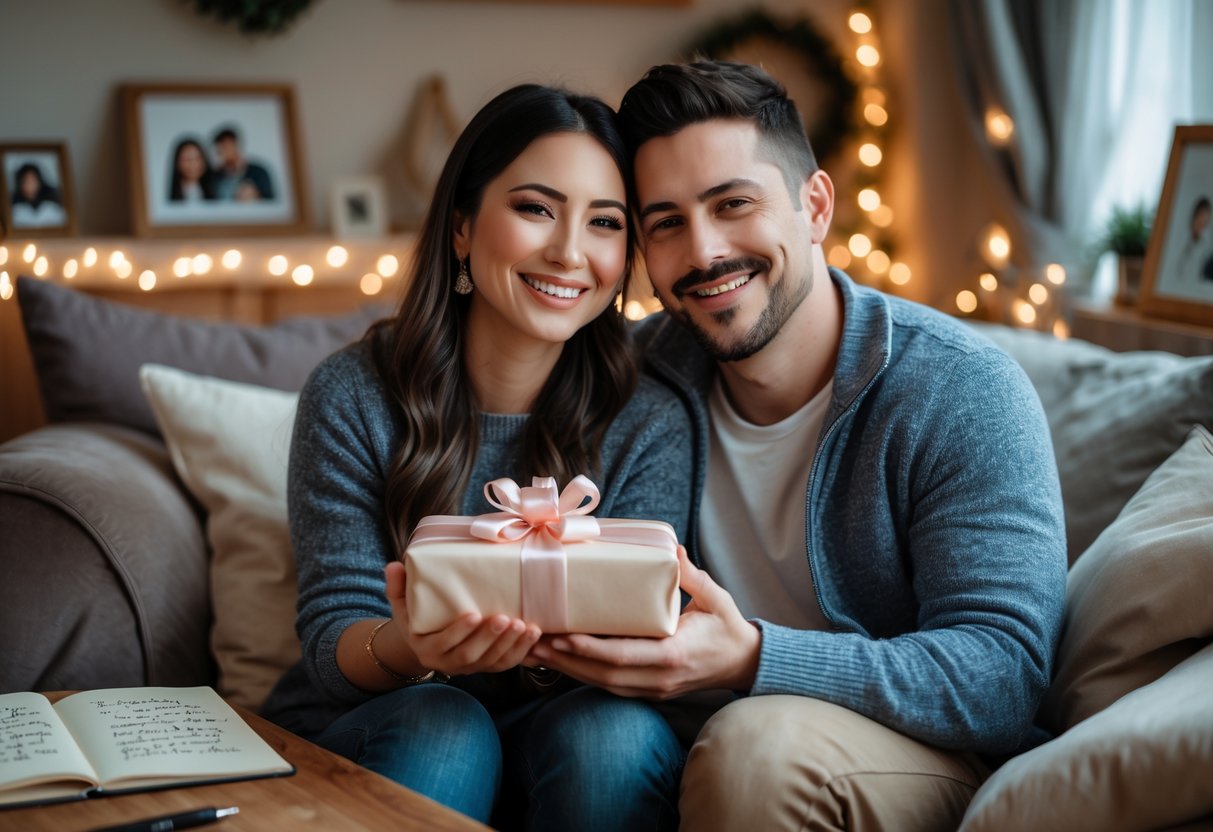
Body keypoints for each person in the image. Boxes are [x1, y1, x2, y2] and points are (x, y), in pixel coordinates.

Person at [528, 60, 1068, 831]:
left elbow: (1000, 678)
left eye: (733, 204)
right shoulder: (630, 374)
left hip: (907, 748)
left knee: (756, 749)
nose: (705, 251)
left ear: (814, 206)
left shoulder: (959, 389)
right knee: (587, 735)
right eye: (666, 222)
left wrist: (753, 657)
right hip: (669, 731)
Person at [260, 84, 692, 831]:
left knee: (610, 735)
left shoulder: (647, 416)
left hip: (568, 728)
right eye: (535, 208)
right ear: (461, 227)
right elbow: (334, 643)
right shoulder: (353, 395)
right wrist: (415, 647)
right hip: (385, 720)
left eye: (604, 223)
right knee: (445, 726)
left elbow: (647, 629)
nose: (568, 250)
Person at [212, 126, 274, 201]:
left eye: (226, 147)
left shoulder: (259, 172)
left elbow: (271, 201)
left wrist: (256, 195)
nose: (223, 153)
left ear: (237, 146)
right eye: (219, 150)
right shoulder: (214, 176)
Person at [10, 161, 67, 227]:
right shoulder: (15, 210)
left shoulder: (52, 207)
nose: (30, 185)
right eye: (26, 181)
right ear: (20, 184)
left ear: (39, 181)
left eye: (33, 180)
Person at [167, 138, 217, 202]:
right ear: (177, 163)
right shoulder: (173, 195)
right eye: (187, 159)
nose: (193, 164)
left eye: (197, 159)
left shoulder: (214, 191)